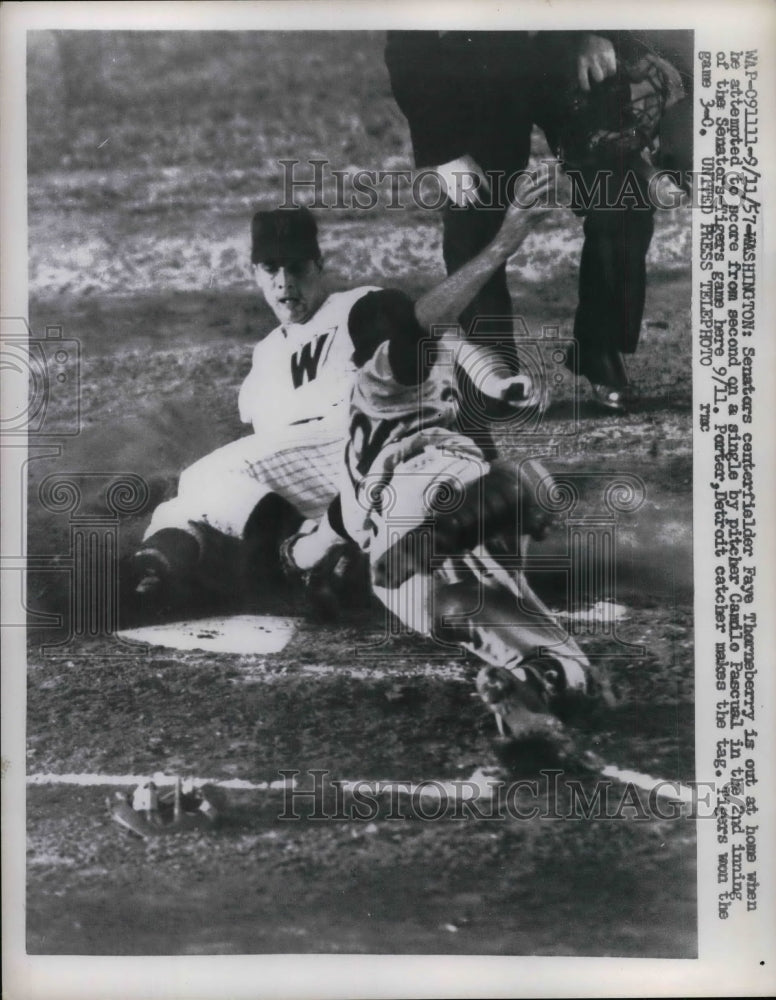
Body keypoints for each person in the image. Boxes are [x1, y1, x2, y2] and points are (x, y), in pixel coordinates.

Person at [283, 175, 613, 739]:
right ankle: (499, 512)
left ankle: (533, 692)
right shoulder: (385, 372)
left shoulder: (357, 440)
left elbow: (335, 524)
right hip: (435, 486)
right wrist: (504, 242)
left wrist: (300, 557)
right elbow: (426, 325)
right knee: (495, 515)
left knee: (513, 635)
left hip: (401, 568)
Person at [384, 29, 692, 414]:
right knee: (474, 212)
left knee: (621, 196)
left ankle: (602, 348)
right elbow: (406, 40)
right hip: (475, 65)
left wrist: (597, 30)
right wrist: (445, 150)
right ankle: (492, 366)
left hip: (563, 47)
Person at [127, 206, 381, 618]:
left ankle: (309, 558)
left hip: (355, 447)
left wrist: (497, 249)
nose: (285, 283)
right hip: (313, 485)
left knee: (203, 476)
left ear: (319, 265)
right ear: (255, 274)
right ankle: (154, 567)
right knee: (188, 500)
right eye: (271, 268)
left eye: (297, 267)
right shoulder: (265, 355)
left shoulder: (357, 307)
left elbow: (421, 326)